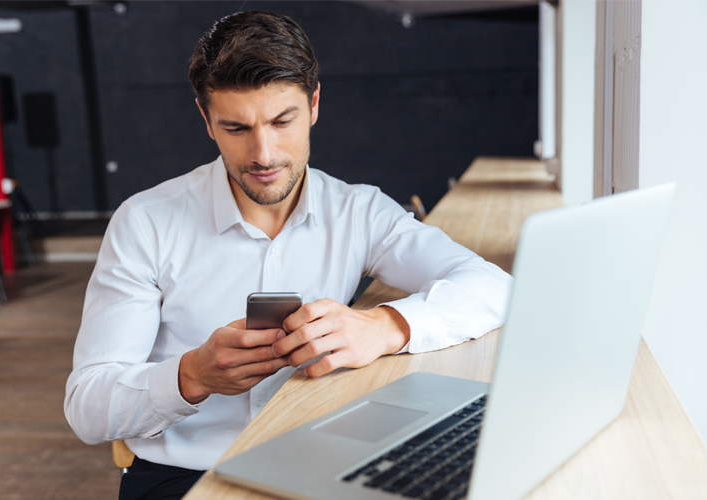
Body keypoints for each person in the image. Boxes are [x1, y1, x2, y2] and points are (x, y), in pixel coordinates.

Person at [64, 11, 512, 500]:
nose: (263, 154)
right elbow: (87, 408)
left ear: (314, 103)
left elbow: (494, 286)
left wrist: (385, 327)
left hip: (321, 460)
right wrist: (190, 375)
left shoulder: (357, 210)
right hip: (185, 476)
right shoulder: (144, 222)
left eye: (282, 121)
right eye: (236, 128)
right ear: (205, 120)